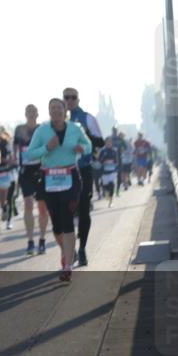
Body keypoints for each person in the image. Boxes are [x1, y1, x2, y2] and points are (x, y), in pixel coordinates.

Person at [24, 98, 92, 281]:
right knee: (57, 225)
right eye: (52, 108)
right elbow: (30, 154)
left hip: (71, 177)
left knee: (67, 218)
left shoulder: (75, 128)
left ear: (65, 110)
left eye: (59, 108)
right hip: (49, 179)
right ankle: (66, 252)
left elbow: (88, 146)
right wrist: (47, 148)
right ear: (49, 112)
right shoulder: (42, 131)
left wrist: (82, 148)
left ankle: (68, 265)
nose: (56, 111)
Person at [62, 88, 104, 267]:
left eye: (73, 97)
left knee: (84, 209)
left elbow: (100, 142)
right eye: (66, 97)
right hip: (62, 172)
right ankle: (69, 250)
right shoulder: (57, 121)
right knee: (65, 212)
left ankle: (82, 249)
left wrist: (87, 135)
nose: (70, 100)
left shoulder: (88, 118)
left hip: (83, 169)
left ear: (78, 100)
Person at [13, 105, 49, 255]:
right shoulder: (19, 129)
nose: (31, 114)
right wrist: (13, 160)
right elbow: (15, 148)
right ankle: (30, 241)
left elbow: (48, 147)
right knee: (28, 204)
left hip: (41, 170)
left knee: (42, 207)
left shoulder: (43, 129)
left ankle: (42, 239)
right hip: (25, 171)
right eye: (29, 112)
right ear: (25, 114)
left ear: (38, 114)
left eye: (34, 111)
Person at [97, 137, 119, 207]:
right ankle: (107, 196)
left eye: (110, 142)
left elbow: (117, 161)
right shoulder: (103, 151)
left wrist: (114, 163)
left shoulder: (114, 151)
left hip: (113, 172)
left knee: (112, 185)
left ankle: (111, 201)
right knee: (106, 188)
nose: (109, 143)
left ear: (111, 143)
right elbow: (99, 160)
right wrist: (104, 162)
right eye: (107, 142)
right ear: (105, 143)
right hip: (104, 172)